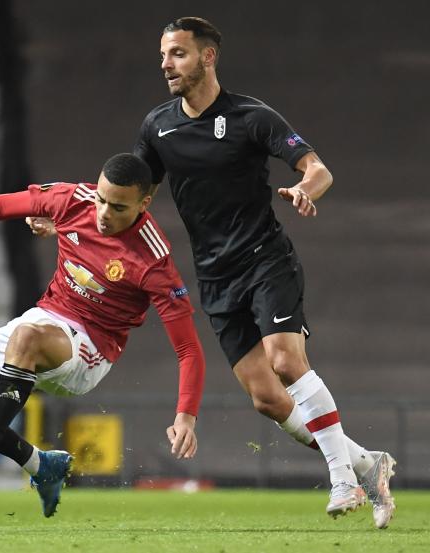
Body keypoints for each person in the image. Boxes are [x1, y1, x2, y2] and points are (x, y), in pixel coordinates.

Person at [132, 17, 395, 527]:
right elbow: (133, 189)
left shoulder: (252, 117)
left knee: (285, 360)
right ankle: (368, 462)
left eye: (178, 54)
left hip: (264, 260)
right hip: (214, 277)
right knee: (267, 399)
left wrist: (304, 190)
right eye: (164, 54)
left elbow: (317, 168)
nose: (166, 63)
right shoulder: (157, 126)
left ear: (208, 57)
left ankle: (343, 479)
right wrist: (73, 217)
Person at [0, 153, 206, 518]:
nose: (103, 213)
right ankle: (40, 465)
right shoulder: (72, 201)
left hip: (92, 349)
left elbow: (189, 349)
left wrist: (186, 417)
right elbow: (2, 205)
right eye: (100, 199)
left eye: (117, 207)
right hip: (44, 319)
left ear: (144, 204)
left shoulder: (153, 260)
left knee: (26, 338)